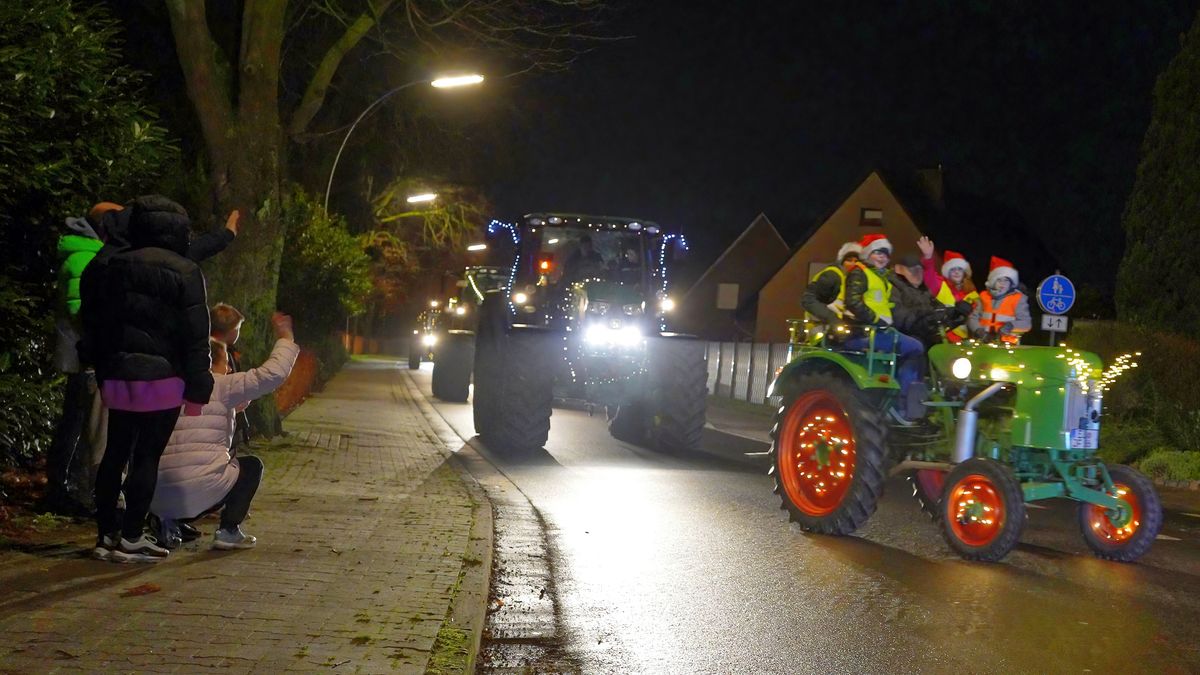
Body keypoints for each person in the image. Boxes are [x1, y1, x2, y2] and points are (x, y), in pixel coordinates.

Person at [79, 195, 214, 563]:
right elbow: (195, 333)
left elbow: (95, 320)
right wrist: (200, 382)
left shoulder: (111, 265)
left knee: (115, 453)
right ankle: (133, 536)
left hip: (118, 375)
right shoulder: (185, 271)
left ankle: (105, 534)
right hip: (163, 378)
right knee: (147, 457)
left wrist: (98, 360)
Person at [151, 313, 299, 550]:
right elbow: (274, 373)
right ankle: (228, 530)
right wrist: (286, 336)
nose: (229, 368)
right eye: (226, 363)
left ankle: (166, 521)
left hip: (157, 495)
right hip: (202, 494)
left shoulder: (171, 387)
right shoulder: (222, 384)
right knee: (251, 466)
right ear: (214, 362)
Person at [45, 203, 121, 514]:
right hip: (82, 356)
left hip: (81, 353)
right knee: (77, 423)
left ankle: (67, 489)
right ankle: (65, 490)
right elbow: (82, 310)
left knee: (76, 422)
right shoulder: (86, 258)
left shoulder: (86, 253)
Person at [844, 234, 926, 424]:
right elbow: (853, 302)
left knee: (913, 344)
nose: (882, 258)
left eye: (885, 255)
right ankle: (903, 404)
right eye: (878, 253)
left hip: (881, 331)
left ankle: (908, 399)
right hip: (865, 333)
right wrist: (875, 320)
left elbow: (894, 303)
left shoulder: (882, 277)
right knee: (915, 347)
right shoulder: (859, 273)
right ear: (868, 254)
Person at [917, 236, 979, 342]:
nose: (956, 272)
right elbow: (929, 273)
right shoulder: (940, 285)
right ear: (947, 272)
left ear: (964, 272)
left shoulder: (973, 294)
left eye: (959, 269)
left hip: (965, 340)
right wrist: (928, 257)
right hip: (941, 337)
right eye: (952, 269)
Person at [968, 256, 1032, 344]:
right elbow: (973, 318)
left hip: (1008, 344)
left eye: (1006, 280)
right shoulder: (983, 296)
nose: (1003, 284)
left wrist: (1011, 325)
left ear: (1011, 282)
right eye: (999, 280)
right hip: (983, 342)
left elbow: (1026, 323)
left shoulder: (1018, 298)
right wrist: (978, 330)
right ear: (993, 281)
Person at [801, 241, 861, 326]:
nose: (853, 264)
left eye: (857, 261)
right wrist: (832, 319)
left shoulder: (852, 279)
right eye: (849, 260)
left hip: (839, 327)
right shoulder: (832, 275)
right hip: (821, 327)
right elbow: (808, 300)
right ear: (841, 261)